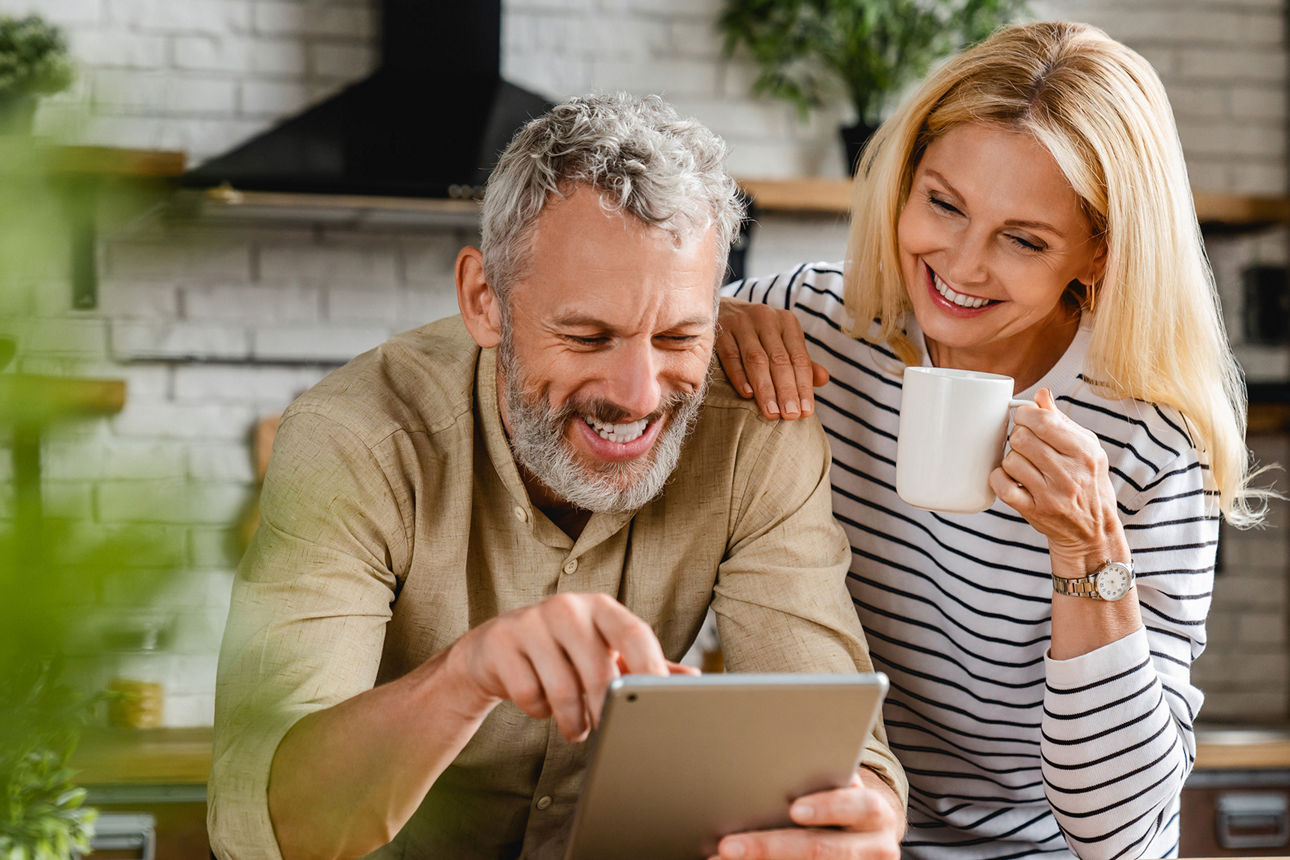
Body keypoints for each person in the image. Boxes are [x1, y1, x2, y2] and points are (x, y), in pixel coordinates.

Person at [207, 93, 907, 860]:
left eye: (678, 335)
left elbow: (834, 745)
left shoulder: (756, 432)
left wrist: (860, 815)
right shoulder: (356, 440)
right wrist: (465, 676)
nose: (639, 395)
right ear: (485, 301)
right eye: (586, 334)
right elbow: (267, 826)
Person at [717, 21, 1272, 860]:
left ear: (1099, 254)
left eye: (1023, 239)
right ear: (904, 183)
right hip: (831, 839)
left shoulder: (1153, 442)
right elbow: (628, 339)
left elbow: (1120, 833)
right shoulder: (817, 325)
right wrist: (698, 324)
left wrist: (1089, 552)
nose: (962, 266)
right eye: (943, 204)